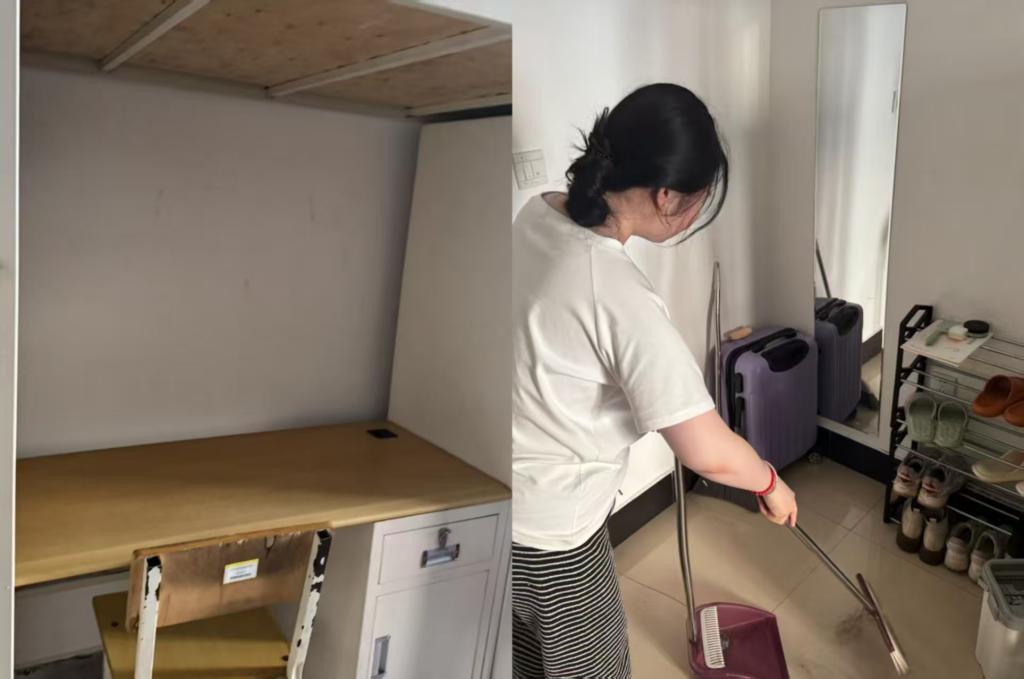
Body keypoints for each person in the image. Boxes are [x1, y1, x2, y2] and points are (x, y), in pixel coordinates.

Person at [511, 83, 799, 679]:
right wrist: (771, 482)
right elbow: (706, 450)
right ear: (666, 196)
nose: (696, 213)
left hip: (499, 500)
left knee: (524, 662)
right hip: (554, 535)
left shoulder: (538, 211)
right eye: (699, 199)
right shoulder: (617, 292)